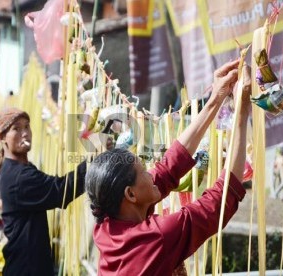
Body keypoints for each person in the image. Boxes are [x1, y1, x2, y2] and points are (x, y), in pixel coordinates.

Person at [85, 60, 251, 275]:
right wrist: (242, 113)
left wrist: (216, 98)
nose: (152, 173)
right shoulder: (158, 237)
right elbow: (222, 198)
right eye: (144, 171)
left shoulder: (106, 226)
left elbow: (169, 167)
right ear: (131, 194)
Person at [0, 107, 87, 275]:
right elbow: (61, 191)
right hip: (27, 268)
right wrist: (94, 161)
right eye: (16, 128)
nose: (25, 133)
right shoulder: (20, 177)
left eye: (27, 126)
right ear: (2, 138)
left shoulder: (18, 169)